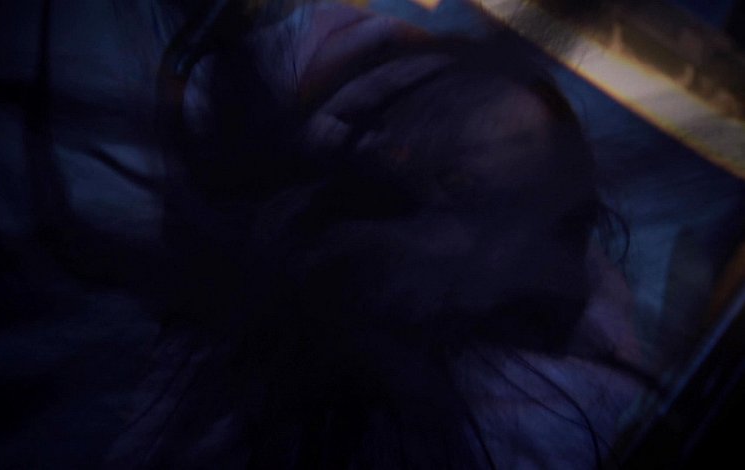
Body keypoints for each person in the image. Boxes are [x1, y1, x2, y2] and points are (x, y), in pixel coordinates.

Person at [107, 2, 651, 468]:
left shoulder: (501, 426)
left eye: (465, 186)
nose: (395, 172)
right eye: (383, 128)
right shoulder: (216, 344)